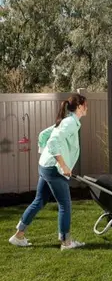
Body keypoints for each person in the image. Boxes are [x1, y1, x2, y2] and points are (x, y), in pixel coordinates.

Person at [9, 93, 88, 250]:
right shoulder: (70, 122)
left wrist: (43, 153)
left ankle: (18, 236)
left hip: (45, 166)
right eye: (86, 105)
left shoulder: (68, 121)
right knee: (65, 204)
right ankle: (66, 242)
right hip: (54, 169)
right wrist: (63, 165)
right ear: (79, 106)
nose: (87, 108)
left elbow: (44, 134)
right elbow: (52, 140)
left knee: (39, 201)